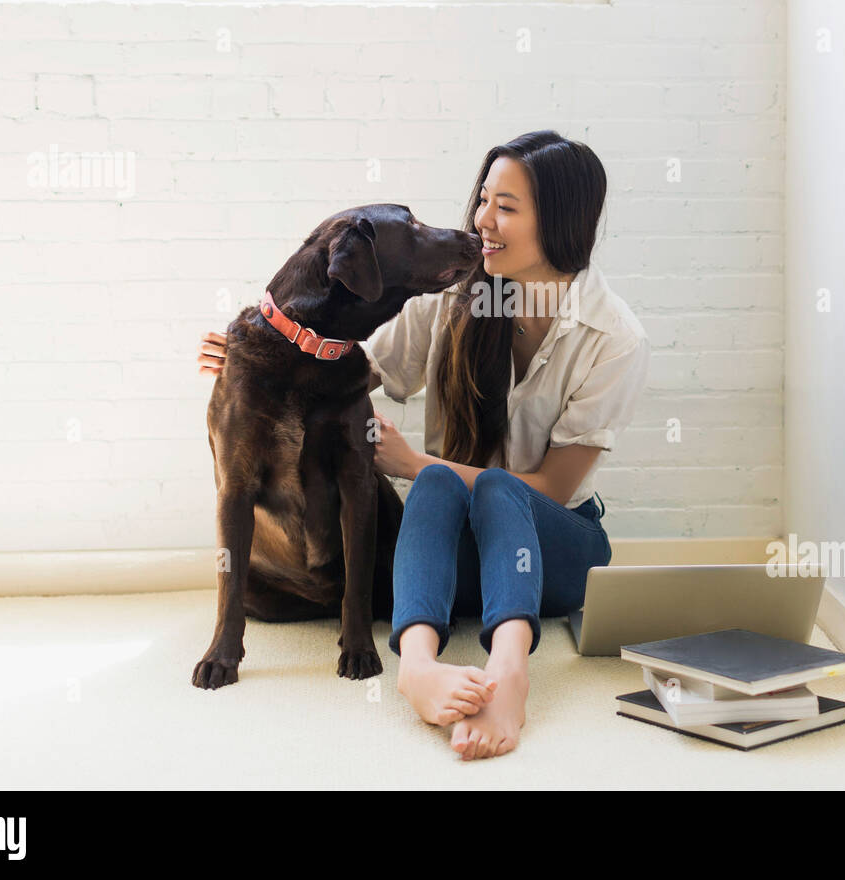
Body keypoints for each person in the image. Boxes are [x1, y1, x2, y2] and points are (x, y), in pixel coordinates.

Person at [197, 130, 651, 760]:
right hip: (452, 555)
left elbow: (552, 489)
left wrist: (412, 463)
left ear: (562, 222)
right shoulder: (449, 301)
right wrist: (261, 360)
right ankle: (417, 667)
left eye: (506, 207)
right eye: (483, 199)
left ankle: (510, 673)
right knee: (437, 485)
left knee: (486, 487)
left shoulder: (614, 336)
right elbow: (345, 370)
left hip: (554, 553)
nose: (482, 220)